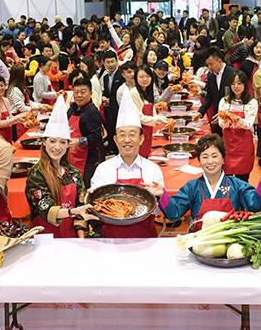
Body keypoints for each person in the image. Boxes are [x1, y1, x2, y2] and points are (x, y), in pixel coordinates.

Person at [90, 86, 169, 238]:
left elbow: (159, 212)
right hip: (110, 241)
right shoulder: (103, 169)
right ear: (115, 140)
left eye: (132, 134)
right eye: (122, 135)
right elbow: (97, 207)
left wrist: (161, 196)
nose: (127, 140)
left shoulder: (152, 169)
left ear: (141, 139)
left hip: (145, 239)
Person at [161, 134, 261, 232]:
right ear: (199, 162)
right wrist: (161, 195)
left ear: (223, 159)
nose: (210, 161)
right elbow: (174, 213)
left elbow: (256, 205)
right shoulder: (192, 187)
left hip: (230, 242)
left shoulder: (237, 185)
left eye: (215, 156)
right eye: (205, 157)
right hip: (200, 244)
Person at [25, 95, 96, 238]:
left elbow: (80, 208)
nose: (57, 147)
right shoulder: (36, 174)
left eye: (63, 142)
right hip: (45, 238)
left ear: (68, 145)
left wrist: (81, 238)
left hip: (72, 237)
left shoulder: (74, 173)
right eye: (52, 141)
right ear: (44, 142)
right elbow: (46, 208)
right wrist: (74, 211)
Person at [217, 70, 257, 182]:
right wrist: (226, 120)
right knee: (227, 181)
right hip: (228, 146)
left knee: (243, 180)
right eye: (233, 83)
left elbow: (248, 124)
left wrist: (235, 119)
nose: (236, 86)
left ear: (245, 84)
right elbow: (222, 124)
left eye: (239, 83)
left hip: (244, 147)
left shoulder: (252, 102)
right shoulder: (224, 101)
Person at [193, 47, 238, 136]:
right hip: (217, 118)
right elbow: (209, 97)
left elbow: (238, 98)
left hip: (232, 118)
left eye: (211, 64)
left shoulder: (233, 74)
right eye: (208, 65)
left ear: (219, 61)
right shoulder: (211, 76)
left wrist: (227, 115)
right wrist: (200, 112)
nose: (209, 68)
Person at [67, 78, 103, 188]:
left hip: (87, 160)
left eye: (83, 92)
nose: (79, 95)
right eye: (76, 92)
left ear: (91, 93)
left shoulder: (92, 112)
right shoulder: (72, 108)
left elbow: (96, 137)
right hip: (71, 155)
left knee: (84, 188)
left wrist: (79, 141)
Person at [130, 65, 167, 158]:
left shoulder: (148, 91)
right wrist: (157, 120)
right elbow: (139, 117)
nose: (145, 79)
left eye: (148, 76)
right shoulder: (134, 92)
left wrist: (162, 119)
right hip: (139, 132)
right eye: (141, 77)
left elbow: (153, 112)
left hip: (148, 130)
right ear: (136, 78)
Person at [0, 75, 23, 143]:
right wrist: (16, 118)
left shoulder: (5, 100)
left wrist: (21, 119)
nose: (0, 88)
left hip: (8, 136)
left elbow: (10, 117)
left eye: (2, 85)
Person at [101, 50, 124, 155]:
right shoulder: (105, 77)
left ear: (117, 61)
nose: (110, 64)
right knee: (110, 133)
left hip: (119, 111)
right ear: (104, 64)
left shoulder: (121, 76)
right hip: (109, 111)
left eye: (112, 61)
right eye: (108, 62)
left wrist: (109, 100)